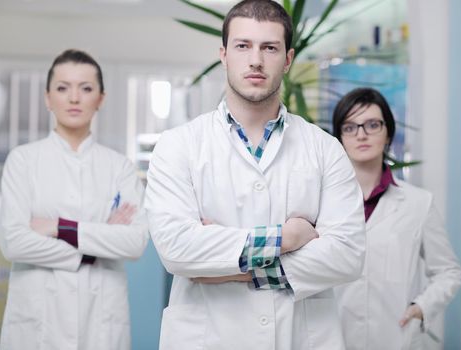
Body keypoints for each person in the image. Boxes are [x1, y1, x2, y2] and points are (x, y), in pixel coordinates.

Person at [144, 0, 366, 349]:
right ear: (224, 54)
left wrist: (229, 268)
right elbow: (177, 249)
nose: (256, 60)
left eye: (270, 47)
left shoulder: (325, 149)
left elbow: (348, 254)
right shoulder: (178, 146)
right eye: (243, 45)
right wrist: (287, 239)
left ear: (288, 59)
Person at [0, 49, 149, 350]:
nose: (74, 98)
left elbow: (134, 243)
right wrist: (95, 248)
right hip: (36, 323)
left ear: (101, 99)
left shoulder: (118, 167)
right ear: (47, 98)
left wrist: (59, 227)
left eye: (86, 88)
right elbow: (13, 242)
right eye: (63, 88)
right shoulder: (23, 161)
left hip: (101, 323)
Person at [332, 87, 461, 349]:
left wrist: (421, 307)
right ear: (339, 138)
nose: (361, 134)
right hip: (334, 335)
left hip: (396, 337)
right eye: (350, 127)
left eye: (372, 125)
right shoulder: (322, 203)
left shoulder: (418, 203)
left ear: (388, 133)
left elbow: (449, 272)